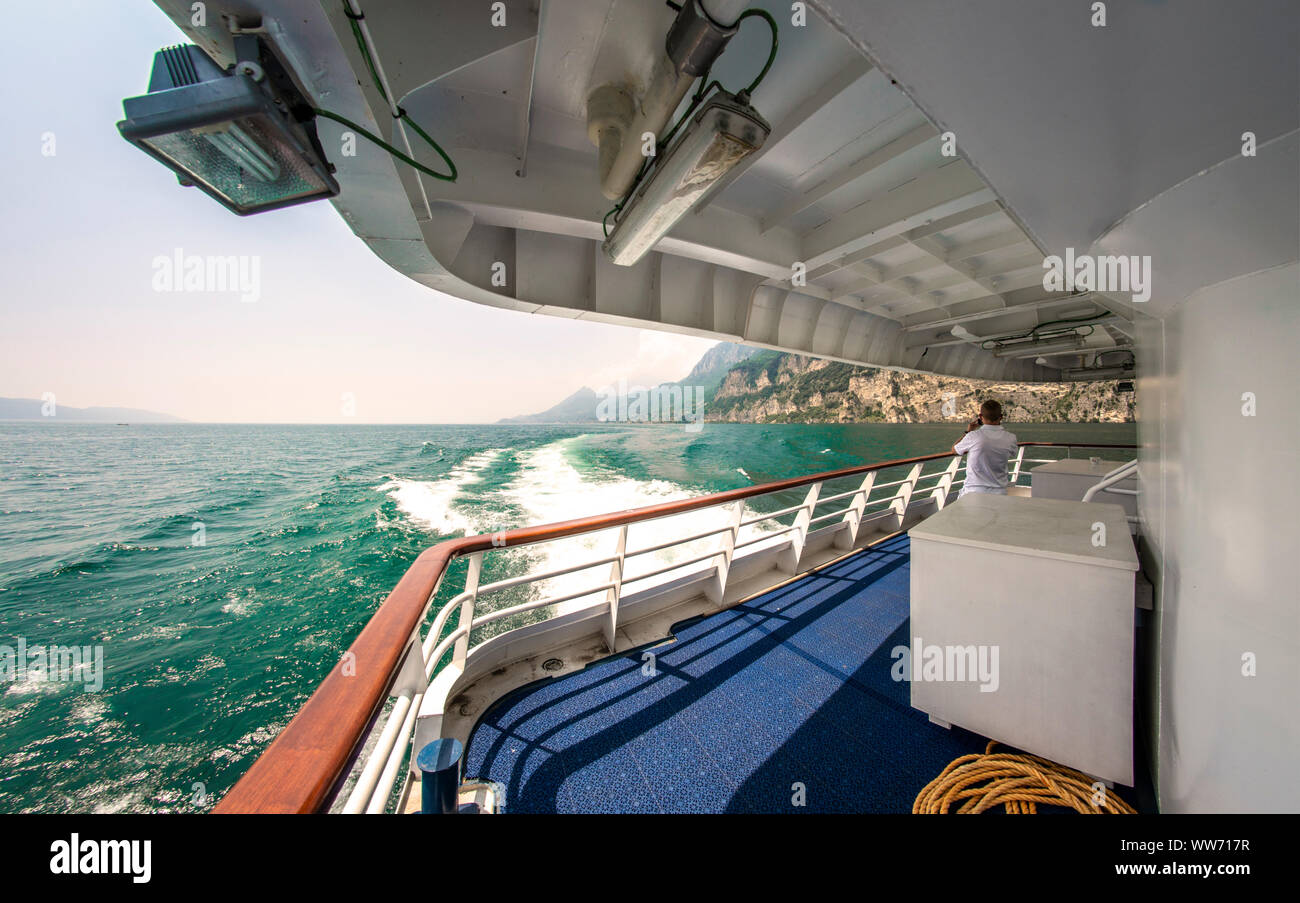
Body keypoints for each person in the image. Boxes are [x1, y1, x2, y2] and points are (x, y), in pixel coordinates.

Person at [952, 399, 1019, 498]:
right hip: (999, 493)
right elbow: (1013, 453)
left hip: (973, 492)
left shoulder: (973, 436)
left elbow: (954, 450)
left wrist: (968, 432)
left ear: (980, 417)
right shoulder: (1011, 438)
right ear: (1000, 417)